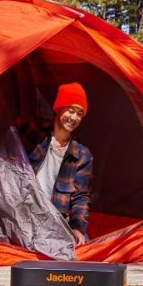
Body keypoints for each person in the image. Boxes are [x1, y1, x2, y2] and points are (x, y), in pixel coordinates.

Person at [29, 82, 93, 246]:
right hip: (26, 214)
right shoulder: (33, 135)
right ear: (58, 109)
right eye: (70, 110)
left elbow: (81, 197)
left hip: (55, 221)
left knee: (81, 245)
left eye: (80, 113)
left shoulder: (82, 154)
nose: (74, 118)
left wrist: (78, 228)